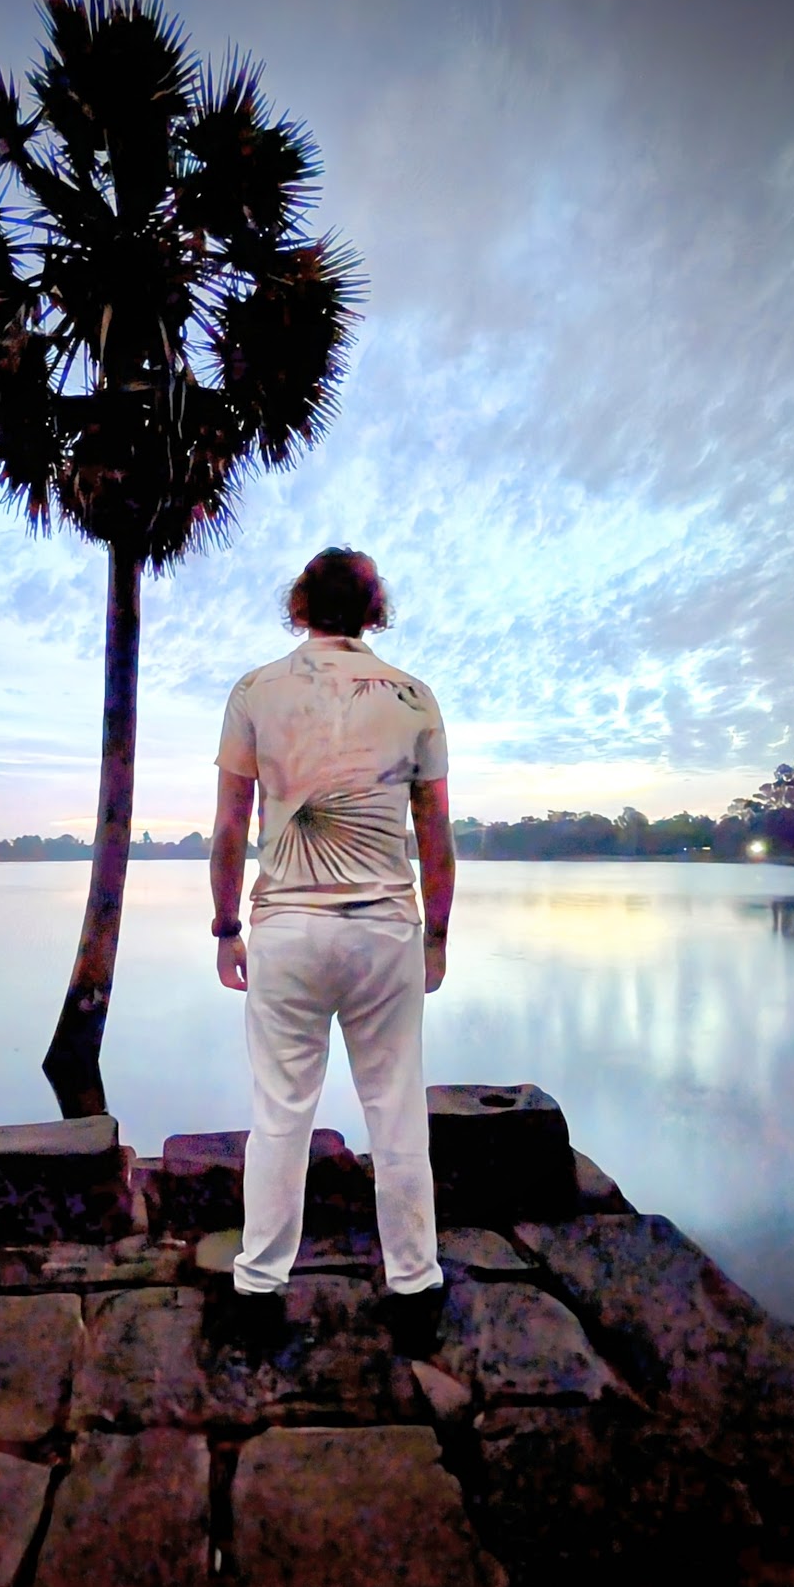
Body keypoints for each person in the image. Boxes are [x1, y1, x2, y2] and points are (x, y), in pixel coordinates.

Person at [208, 547, 455, 1357]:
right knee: (396, 1111)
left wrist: (224, 927)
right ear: (372, 609)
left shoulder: (255, 691)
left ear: (302, 605)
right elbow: (436, 836)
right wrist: (438, 934)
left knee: (279, 1115)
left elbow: (230, 829)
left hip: (287, 929)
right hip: (385, 930)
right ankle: (415, 1288)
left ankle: (258, 1287)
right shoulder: (414, 697)